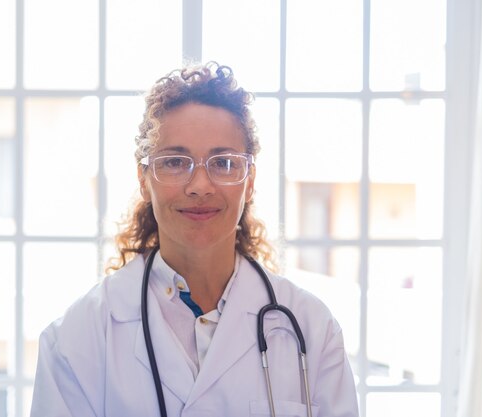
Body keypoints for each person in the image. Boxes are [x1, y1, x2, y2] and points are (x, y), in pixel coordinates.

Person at [30, 62, 359, 417]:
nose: (200, 185)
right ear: (144, 179)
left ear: (249, 181)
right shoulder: (78, 338)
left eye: (223, 163)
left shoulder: (311, 328)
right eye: (175, 161)